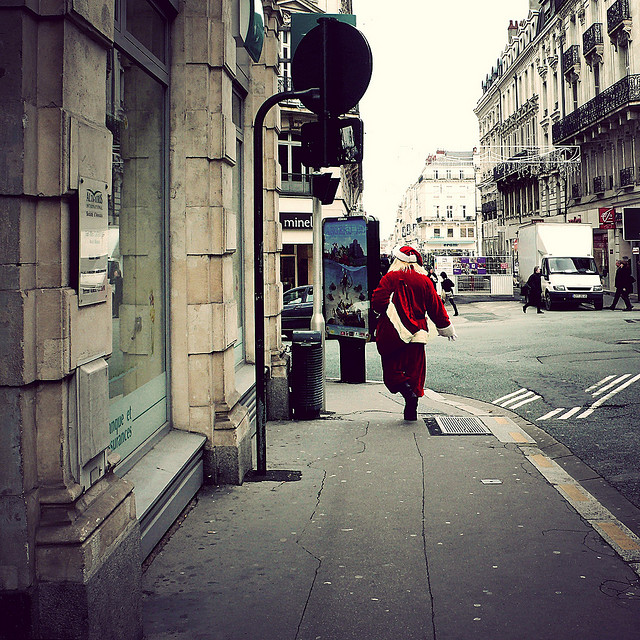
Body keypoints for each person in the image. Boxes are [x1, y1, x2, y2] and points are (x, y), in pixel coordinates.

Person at [372, 245, 457, 421]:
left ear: (397, 260)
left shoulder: (390, 278)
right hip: (418, 333)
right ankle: (411, 409)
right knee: (415, 372)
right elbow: (436, 307)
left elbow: (378, 303)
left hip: (394, 333)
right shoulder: (424, 280)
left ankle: (406, 392)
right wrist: (445, 326)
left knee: (392, 370)